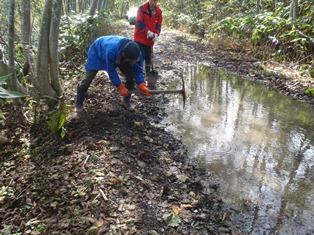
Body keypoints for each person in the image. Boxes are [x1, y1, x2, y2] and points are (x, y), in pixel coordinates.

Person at [75, 35, 150, 112]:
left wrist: (142, 84)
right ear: (124, 55)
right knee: (87, 80)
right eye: (130, 60)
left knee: (131, 76)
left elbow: (137, 69)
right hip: (97, 51)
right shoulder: (112, 51)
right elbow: (111, 71)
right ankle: (78, 103)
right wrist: (120, 87)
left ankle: (126, 102)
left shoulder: (137, 53)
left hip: (120, 56)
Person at [134, 0, 162, 89]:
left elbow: (159, 25)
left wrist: (156, 34)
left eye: (155, 0)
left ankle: (148, 77)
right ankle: (138, 78)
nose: (153, 2)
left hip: (150, 40)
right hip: (140, 37)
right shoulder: (141, 9)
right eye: (152, 0)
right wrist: (147, 31)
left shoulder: (158, 12)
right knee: (140, 57)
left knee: (148, 58)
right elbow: (139, 23)